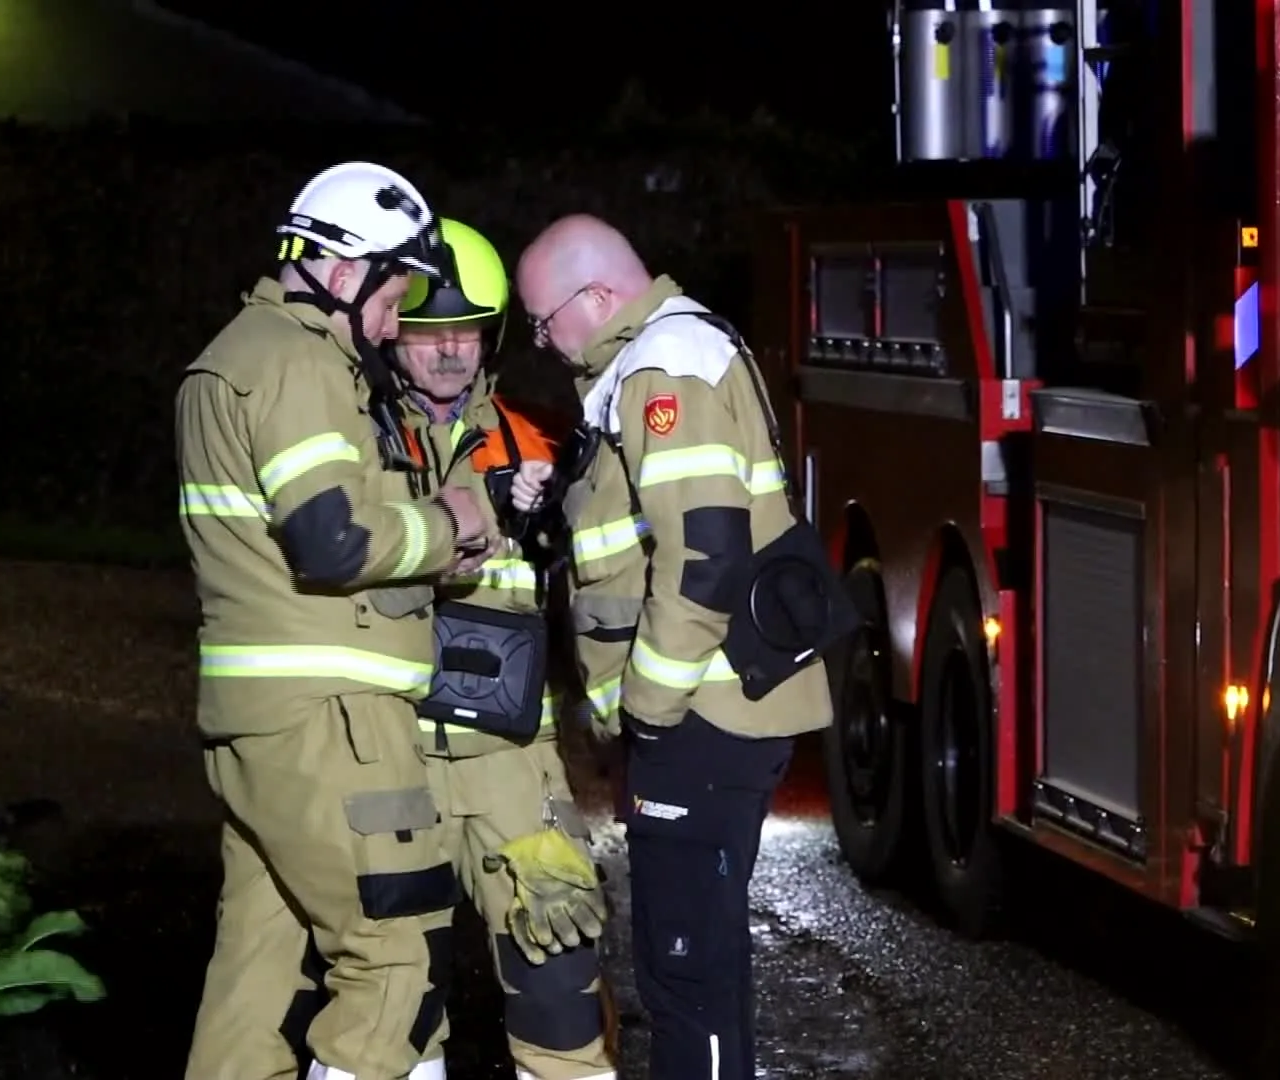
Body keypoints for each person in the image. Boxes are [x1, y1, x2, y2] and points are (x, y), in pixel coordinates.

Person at [177, 161, 490, 1080]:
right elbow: (331, 540)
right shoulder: (300, 357)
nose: (398, 323)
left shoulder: (227, 355)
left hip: (256, 729)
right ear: (347, 273)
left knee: (255, 983)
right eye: (396, 293)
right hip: (330, 725)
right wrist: (451, 526)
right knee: (398, 963)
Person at [514, 214, 836, 1080]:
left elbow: (702, 558)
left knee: (687, 977)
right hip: (711, 711)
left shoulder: (663, 367)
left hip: (701, 717)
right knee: (696, 971)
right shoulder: (654, 360)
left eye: (544, 322)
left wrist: (646, 714)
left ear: (598, 296)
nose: (543, 344)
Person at [386, 217, 617, 1080]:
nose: (448, 353)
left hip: (516, 766)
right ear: (390, 331)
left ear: (494, 338)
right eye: (426, 331)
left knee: (562, 982)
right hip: (388, 764)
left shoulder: (540, 445)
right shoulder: (359, 443)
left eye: (467, 331)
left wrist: (556, 514)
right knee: (392, 1008)